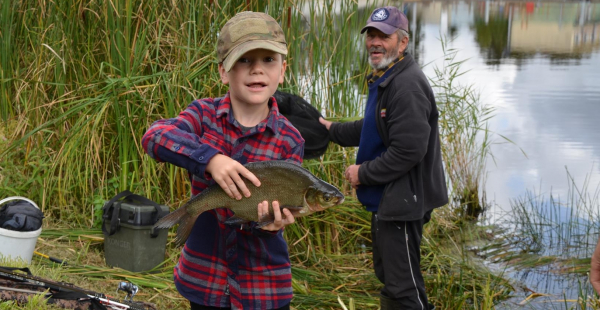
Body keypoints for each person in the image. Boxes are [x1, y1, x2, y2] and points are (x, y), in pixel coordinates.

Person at [142, 11, 304, 310]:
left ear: (283, 70)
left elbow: (280, 208)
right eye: (244, 60)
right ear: (223, 71)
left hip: (264, 286)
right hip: (205, 278)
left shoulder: (290, 139)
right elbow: (155, 136)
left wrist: (272, 223)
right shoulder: (203, 116)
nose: (257, 70)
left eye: (268, 60)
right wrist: (210, 159)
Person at [319, 6, 448, 310]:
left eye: (384, 36)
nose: (375, 42)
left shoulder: (407, 86)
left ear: (402, 42)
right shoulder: (388, 76)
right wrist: (330, 129)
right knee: (391, 277)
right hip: (391, 199)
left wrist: (362, 173)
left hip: (404, 202)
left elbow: (409, 150)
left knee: (404, 288)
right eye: (371, 35)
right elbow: (375, 127)